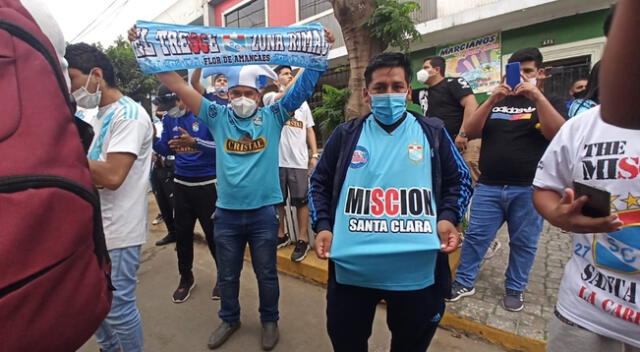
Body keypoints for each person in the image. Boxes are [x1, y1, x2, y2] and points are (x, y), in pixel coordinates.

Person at [128, 25, 334, 351]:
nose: (241, 99)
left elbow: (303, 87)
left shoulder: (274, 114)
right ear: (227, 95)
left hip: (263, 214)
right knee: (227, 274)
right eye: (235, 93)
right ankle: (229, 317)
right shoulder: (217, 116)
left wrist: (319, 52)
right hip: (226, 214)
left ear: (259, 95)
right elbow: (177, 84)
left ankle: (270, 320)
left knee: (266, 275)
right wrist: (145, 49)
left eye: (248, 94)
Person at [309, 52, 472, 352]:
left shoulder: (432, 132)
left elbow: (459, 180)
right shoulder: (345, 136)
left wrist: (448, 217)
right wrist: (323, 226)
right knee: (347, 342)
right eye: (380, 88)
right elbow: (318, 182)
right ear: (366, 93)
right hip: (352, 272)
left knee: (411, 345)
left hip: (417, 274)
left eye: (397, 87)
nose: (389, 95)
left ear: (408, 91)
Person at [450, 47, 567, 312]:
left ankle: (515, 288)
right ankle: (464, 282)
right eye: (517, 71)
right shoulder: (497, 101)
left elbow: (558, 133)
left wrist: (536, 97)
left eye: (528, 71)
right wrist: (491, 100)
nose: (522, 76)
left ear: (540, 73)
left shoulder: (550, 101)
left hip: (528, 189)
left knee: (524, 242)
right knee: (477, 237)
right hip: (489, 186)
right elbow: (470, 130)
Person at [66, 42, 153, 352]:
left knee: (117, 307)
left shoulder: (129, 115)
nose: (71, 88)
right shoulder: (96, 117)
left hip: (119, 231)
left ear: (96, 75)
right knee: (93, 302)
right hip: (96, 229)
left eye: (73, 79)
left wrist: (62, 151)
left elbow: (113, 176)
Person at [153, 84, 220, 303]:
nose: (168, 110)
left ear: (181, 98)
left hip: (208, 183)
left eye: (170, 105)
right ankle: (186, 277)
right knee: (182, 235)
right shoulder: (169, 119)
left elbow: (222, 146)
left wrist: (195, 143)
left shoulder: (207, 113)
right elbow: (165, 148)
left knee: (214, 235)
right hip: (181, 183)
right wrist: (154, 141)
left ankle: (224, 276)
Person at [263, 65, 320, 262]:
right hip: (276, 161)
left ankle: (302, 239)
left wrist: (313, 155)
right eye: (285, 74)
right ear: (276, 80)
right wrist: (302, 72)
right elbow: (286, 93)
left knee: (301, 202)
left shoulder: (303, 105)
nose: (289, 76)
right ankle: (281, 234)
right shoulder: (270, 99)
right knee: (278, 201)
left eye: (290, 73)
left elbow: (309, 130)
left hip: (298, 161)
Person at [413, 55, 480, 181]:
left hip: (462, 142)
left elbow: (471, 104)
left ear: (437, 70)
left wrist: (463, 133)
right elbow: (402, 93)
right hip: (440, 145)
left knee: (468, 178)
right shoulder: (423, 93)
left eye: (426, 67)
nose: (421, 71)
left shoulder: (453, 83)